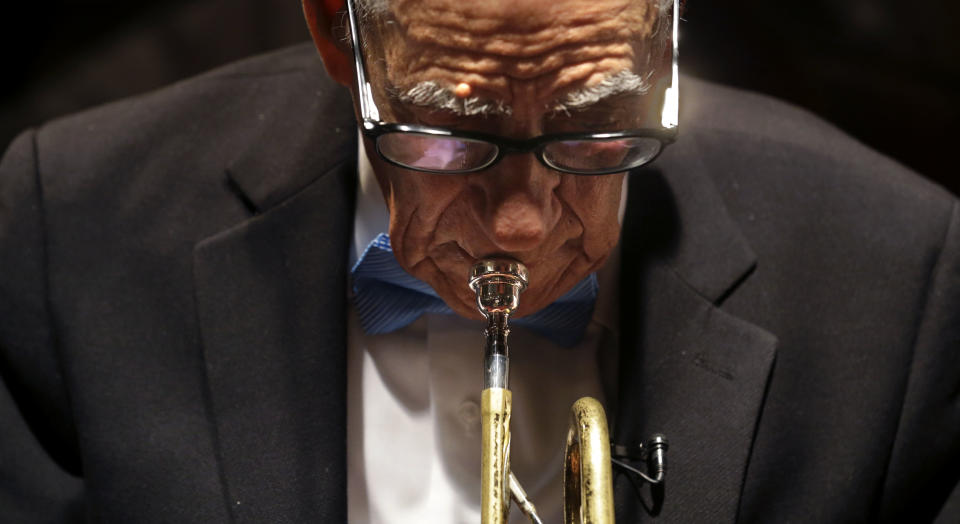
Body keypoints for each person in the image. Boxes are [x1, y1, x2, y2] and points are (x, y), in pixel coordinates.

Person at [0, 0, 957, 522]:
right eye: (456, 133)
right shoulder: (70, 222)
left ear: (667, 36)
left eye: (594, 128)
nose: (521, 229)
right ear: (340, 36)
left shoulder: (901, 274)